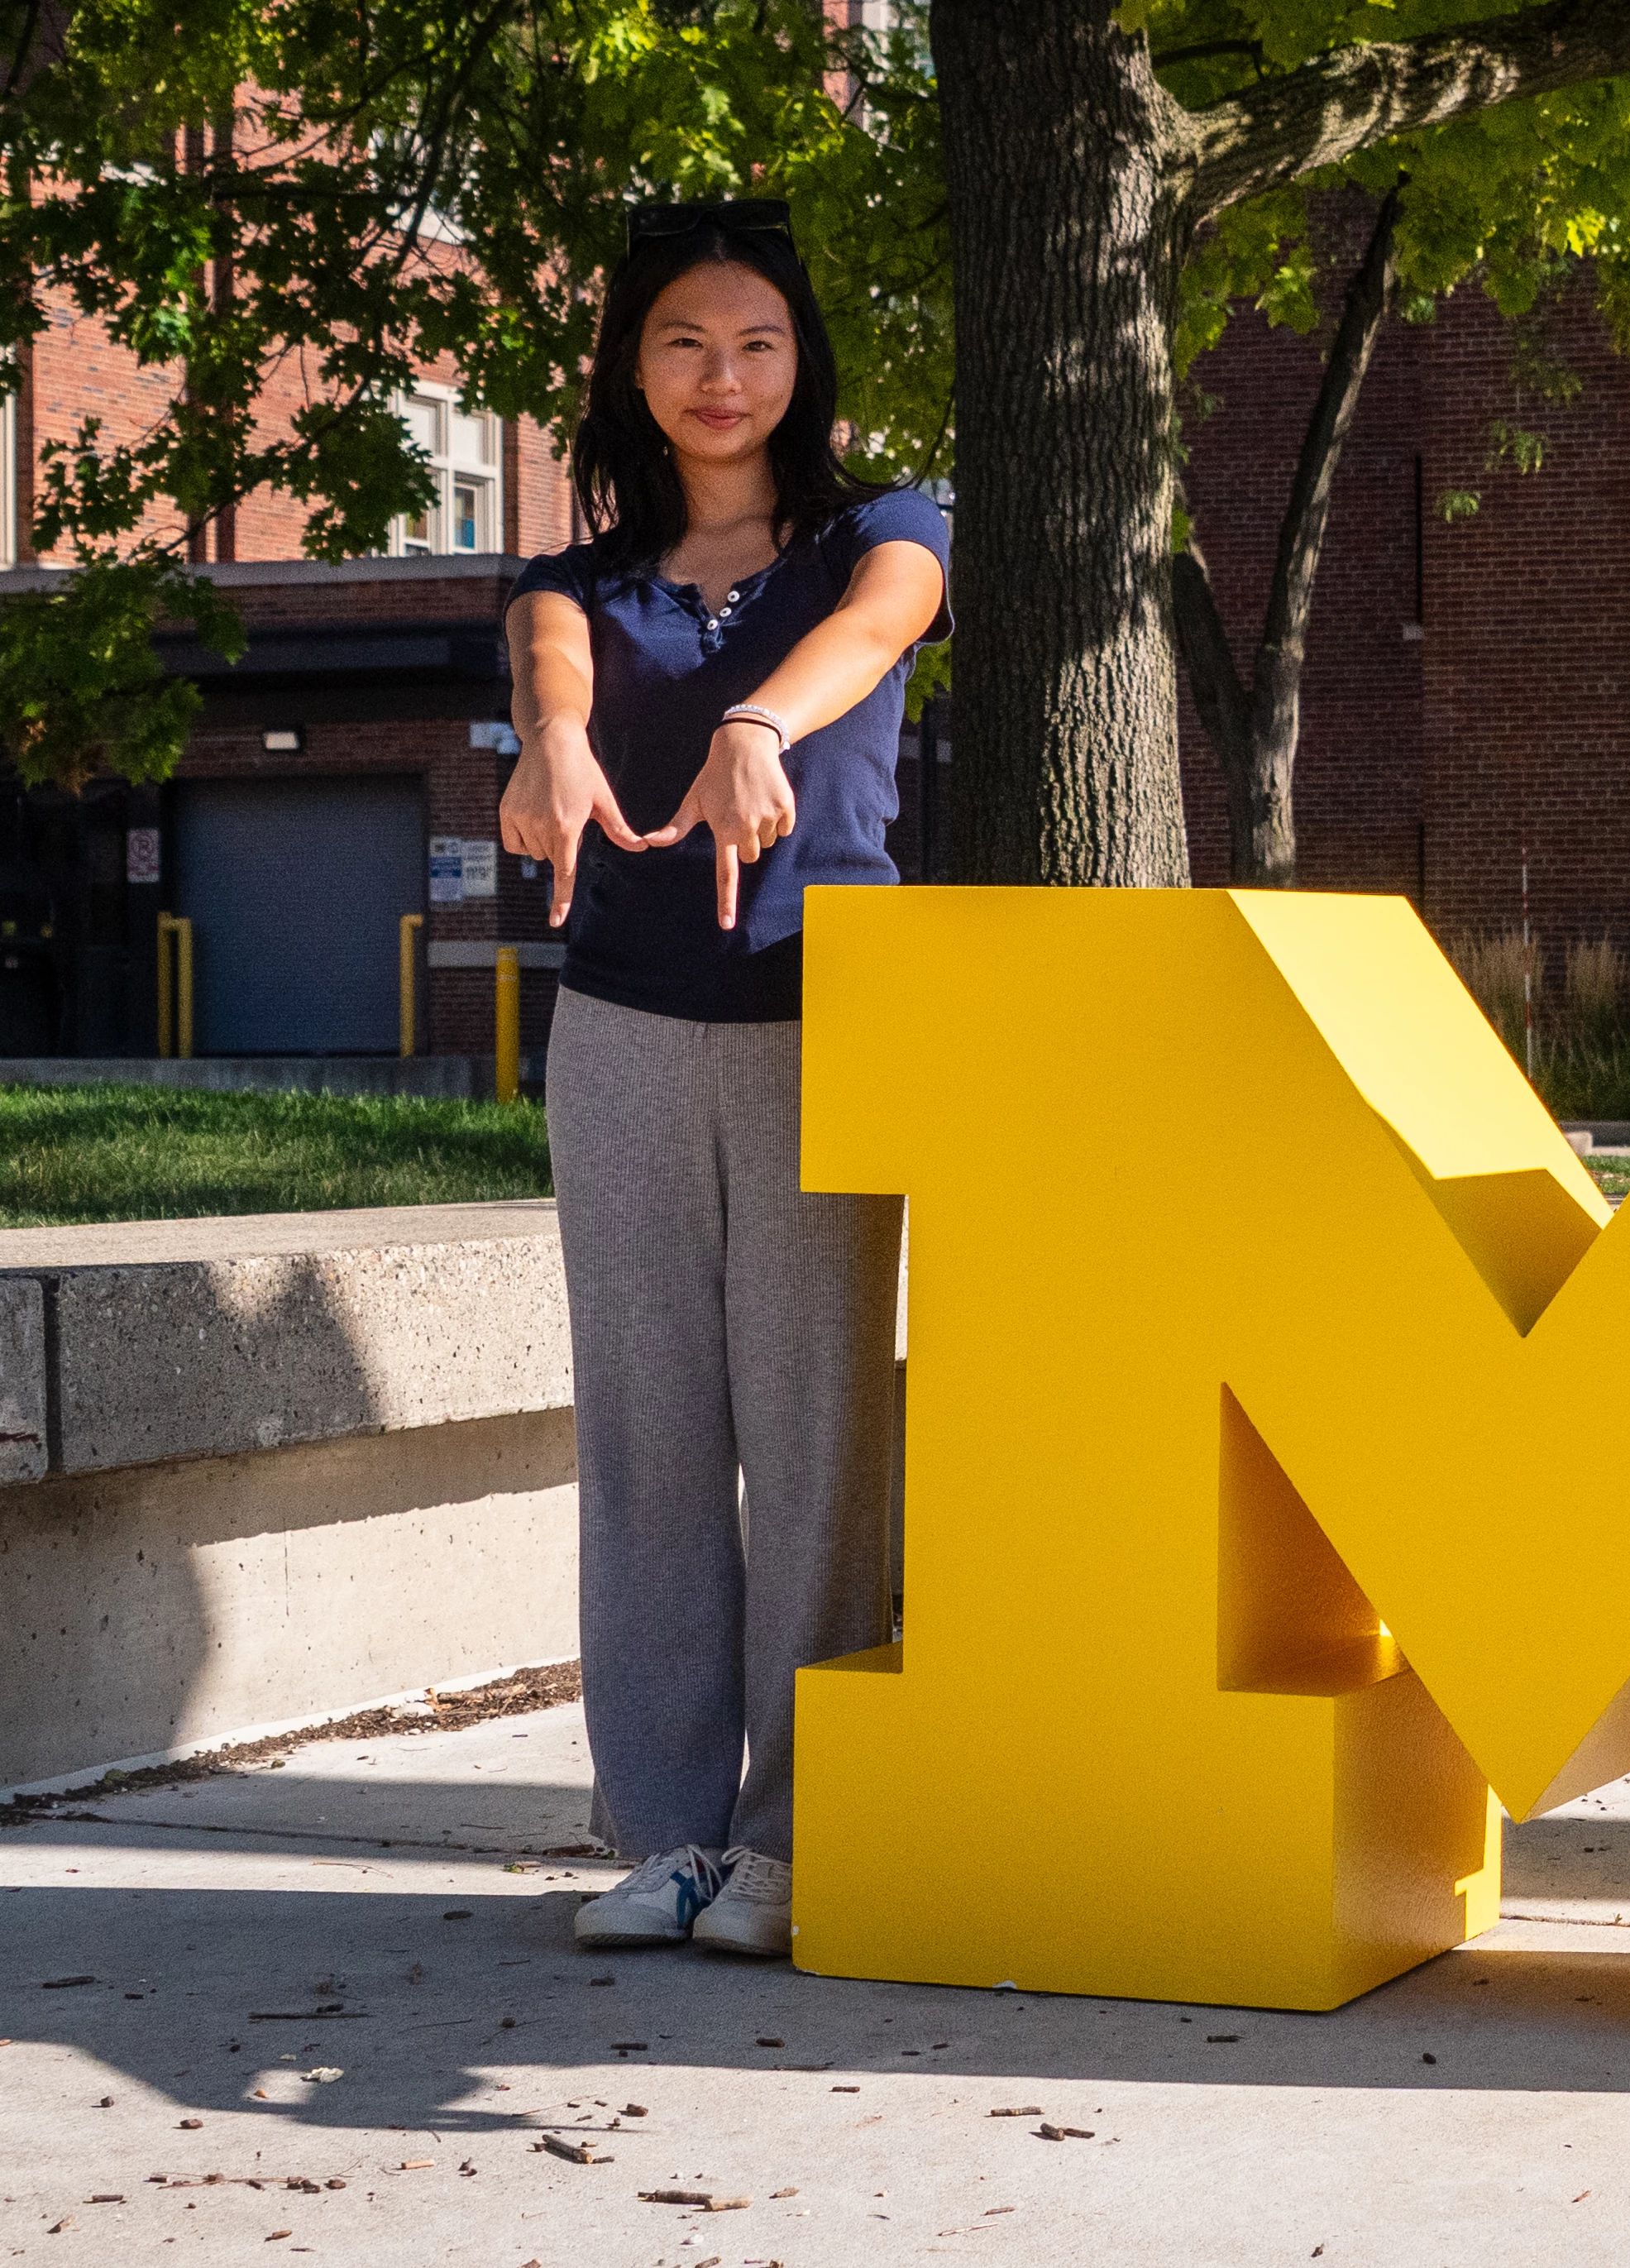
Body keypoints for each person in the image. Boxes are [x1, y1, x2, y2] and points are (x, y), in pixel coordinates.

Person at [500, 199, 948, 1959]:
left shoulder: (877, 534)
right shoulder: (576, 586)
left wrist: (759, 721)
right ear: (631, 362)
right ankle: (670, 1832)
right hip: (617, 1031)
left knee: (818, 1436)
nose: (721, 375)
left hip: (818, 1027)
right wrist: (552, 733)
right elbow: (552, 668)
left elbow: (878, 632)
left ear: (799, 365)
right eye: (684, 341)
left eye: (756, 342)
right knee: (649, 1435)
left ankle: (792, 1841)